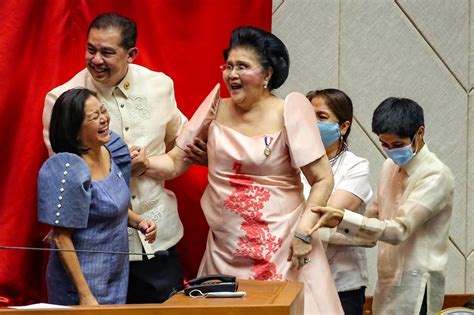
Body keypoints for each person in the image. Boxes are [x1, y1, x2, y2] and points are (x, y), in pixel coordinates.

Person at [146, 26, 343, 314]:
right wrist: (141, 163)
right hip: (225, 246)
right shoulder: (215, 106)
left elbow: (323, 178)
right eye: (228, 66)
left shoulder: (290, 110)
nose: (232, 74)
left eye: (243, 66)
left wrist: (303, 233)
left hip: (283, 244)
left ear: (267, 74)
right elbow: (176, 161)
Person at [42, 13, 188, 303]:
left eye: (107, 52)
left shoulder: (160, 86)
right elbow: (70, 186)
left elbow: (185, 150)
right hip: (94, 256)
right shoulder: (61, 101)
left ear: (131, 54)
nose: (96, 60)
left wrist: (151, 164)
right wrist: (119, 171)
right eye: (91, 49)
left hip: (157, 242)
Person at [311, 97, 454, 315]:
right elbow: (369, 232)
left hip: (418, 285)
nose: (390, 151)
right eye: (384, 144)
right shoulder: (389, 166)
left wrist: (341, 217)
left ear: (420, 133)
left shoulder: (435, 174)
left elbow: (398, 230)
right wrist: (316, 232)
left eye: (397, 145)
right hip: (386, 280)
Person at [38, 88, 156, 305]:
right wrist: (84, 295)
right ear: (74, 131)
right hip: (81, 283)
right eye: (94, 117)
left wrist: (140, 221)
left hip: (115, 273)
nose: (104, 119)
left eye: (103, 111)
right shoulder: (69, 169)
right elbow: (61, 236)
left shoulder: (112, 149)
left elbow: (108, 205)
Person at [302, 89, 373, 315]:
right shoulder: (291, 164)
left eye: (321, 117)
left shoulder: (356, 166)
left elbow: (323, 215)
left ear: (343, 127)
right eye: (308, 116)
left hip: (341, 284)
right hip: (298, 280)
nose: (312, 124)